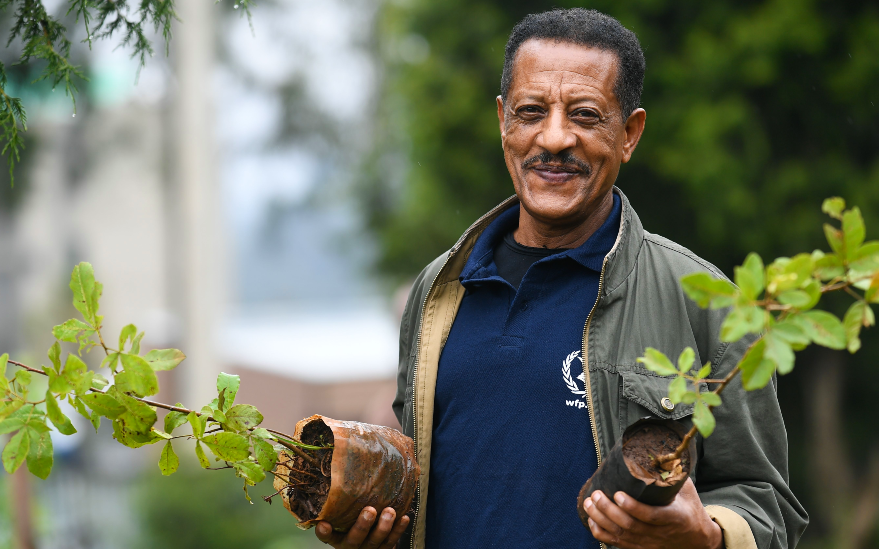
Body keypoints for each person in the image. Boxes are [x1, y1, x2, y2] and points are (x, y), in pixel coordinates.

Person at [315, 8, 808, 549]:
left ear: (630, 134)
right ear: (503, 122)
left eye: (585, 115)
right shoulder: (439, 291)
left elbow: (768, 507)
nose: (553, 138)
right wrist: (375, 529)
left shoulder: (706, 303)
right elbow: (421, 485)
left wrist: (707, 537)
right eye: (531, 112)